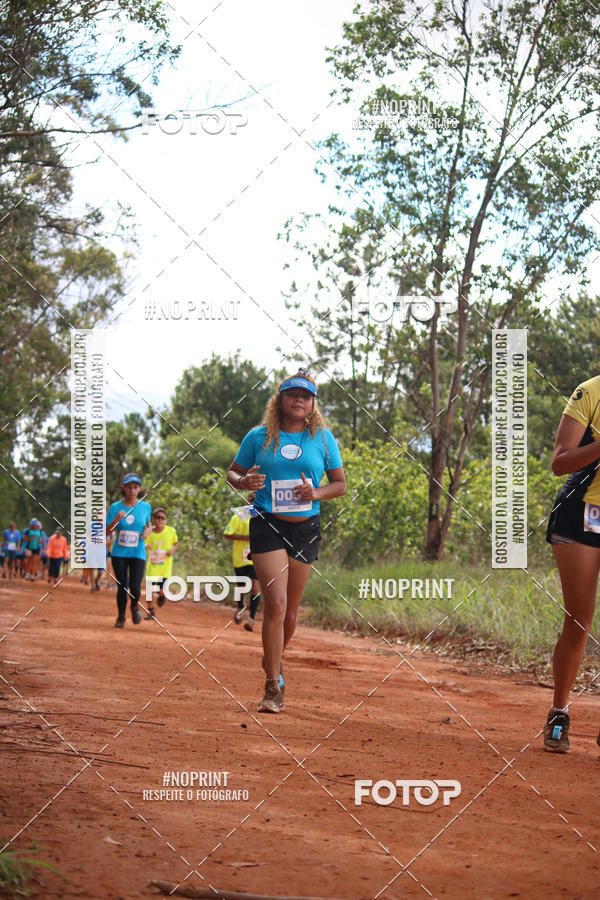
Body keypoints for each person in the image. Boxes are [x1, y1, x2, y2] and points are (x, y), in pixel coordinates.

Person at [226, 369, 346, 713]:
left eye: (306, 396)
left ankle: (272, 660)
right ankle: (272, 686)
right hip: (266, 522)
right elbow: (232, 472)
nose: (299, 399)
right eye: (292, 394)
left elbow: (339, 485)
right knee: (275, 605)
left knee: (291, 613)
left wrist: (316, 492)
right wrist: (243, 482)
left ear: (313, 405)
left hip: (305, 527)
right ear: (279, 400)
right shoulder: (258, 437)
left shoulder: (323, 439)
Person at [544, 376, 600, 753]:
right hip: (583, 515)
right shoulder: (591, 391)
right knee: (579, 622)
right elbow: (559, 462)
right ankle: (559, 711)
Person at [106, 474, 152, 628]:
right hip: (119, 553)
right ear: (123, 488)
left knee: (135, 586)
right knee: (122, 586)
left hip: (138, 553)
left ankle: (134, 606)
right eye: (129, 487)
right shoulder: (115, 507)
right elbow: (106, 532)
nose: (132, 490)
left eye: (135, 487)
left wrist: (147, 533)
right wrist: (115, 521)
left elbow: (148, 526)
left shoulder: (145, 507)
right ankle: (120, 617)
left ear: (139, 489)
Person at [224, 503, 261, 630]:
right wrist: (246, 538)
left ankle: (251, 619)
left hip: (256, 557)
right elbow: (227, 534)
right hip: (240, 558)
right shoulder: (239, 516)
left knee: (255, 588)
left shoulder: (265, 516)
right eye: (252, 500)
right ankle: (240, 606)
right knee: (241, 586)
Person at [144, 507, 178, 619]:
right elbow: (143, 544)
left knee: (161, 589)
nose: (160, 520)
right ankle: (150, 611)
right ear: (153, 519)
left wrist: (172, 550)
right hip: (152, 566)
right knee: (149, 589)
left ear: (166, 520)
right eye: (157, 517)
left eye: (162, 518)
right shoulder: (149, 533)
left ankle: (162, 595)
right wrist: (145, 546)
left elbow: (175, 543)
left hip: (165, 568)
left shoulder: (171, 531)